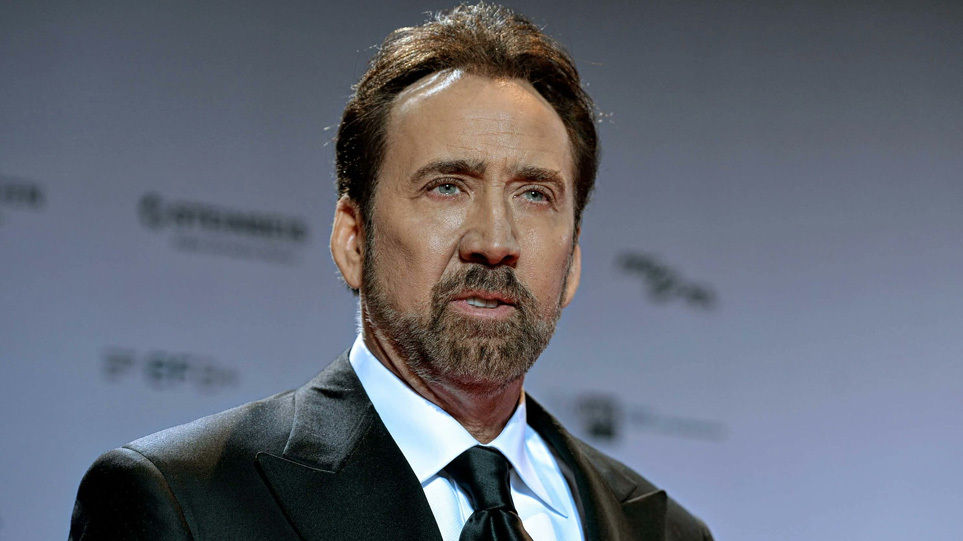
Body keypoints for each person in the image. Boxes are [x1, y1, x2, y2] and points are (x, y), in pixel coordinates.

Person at [69, 4, 713, 540]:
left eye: (534, 195)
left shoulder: (666, 532)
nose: (494, 242)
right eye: (446, 187)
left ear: (571, 263)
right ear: (353, 240)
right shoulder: (183, 502)